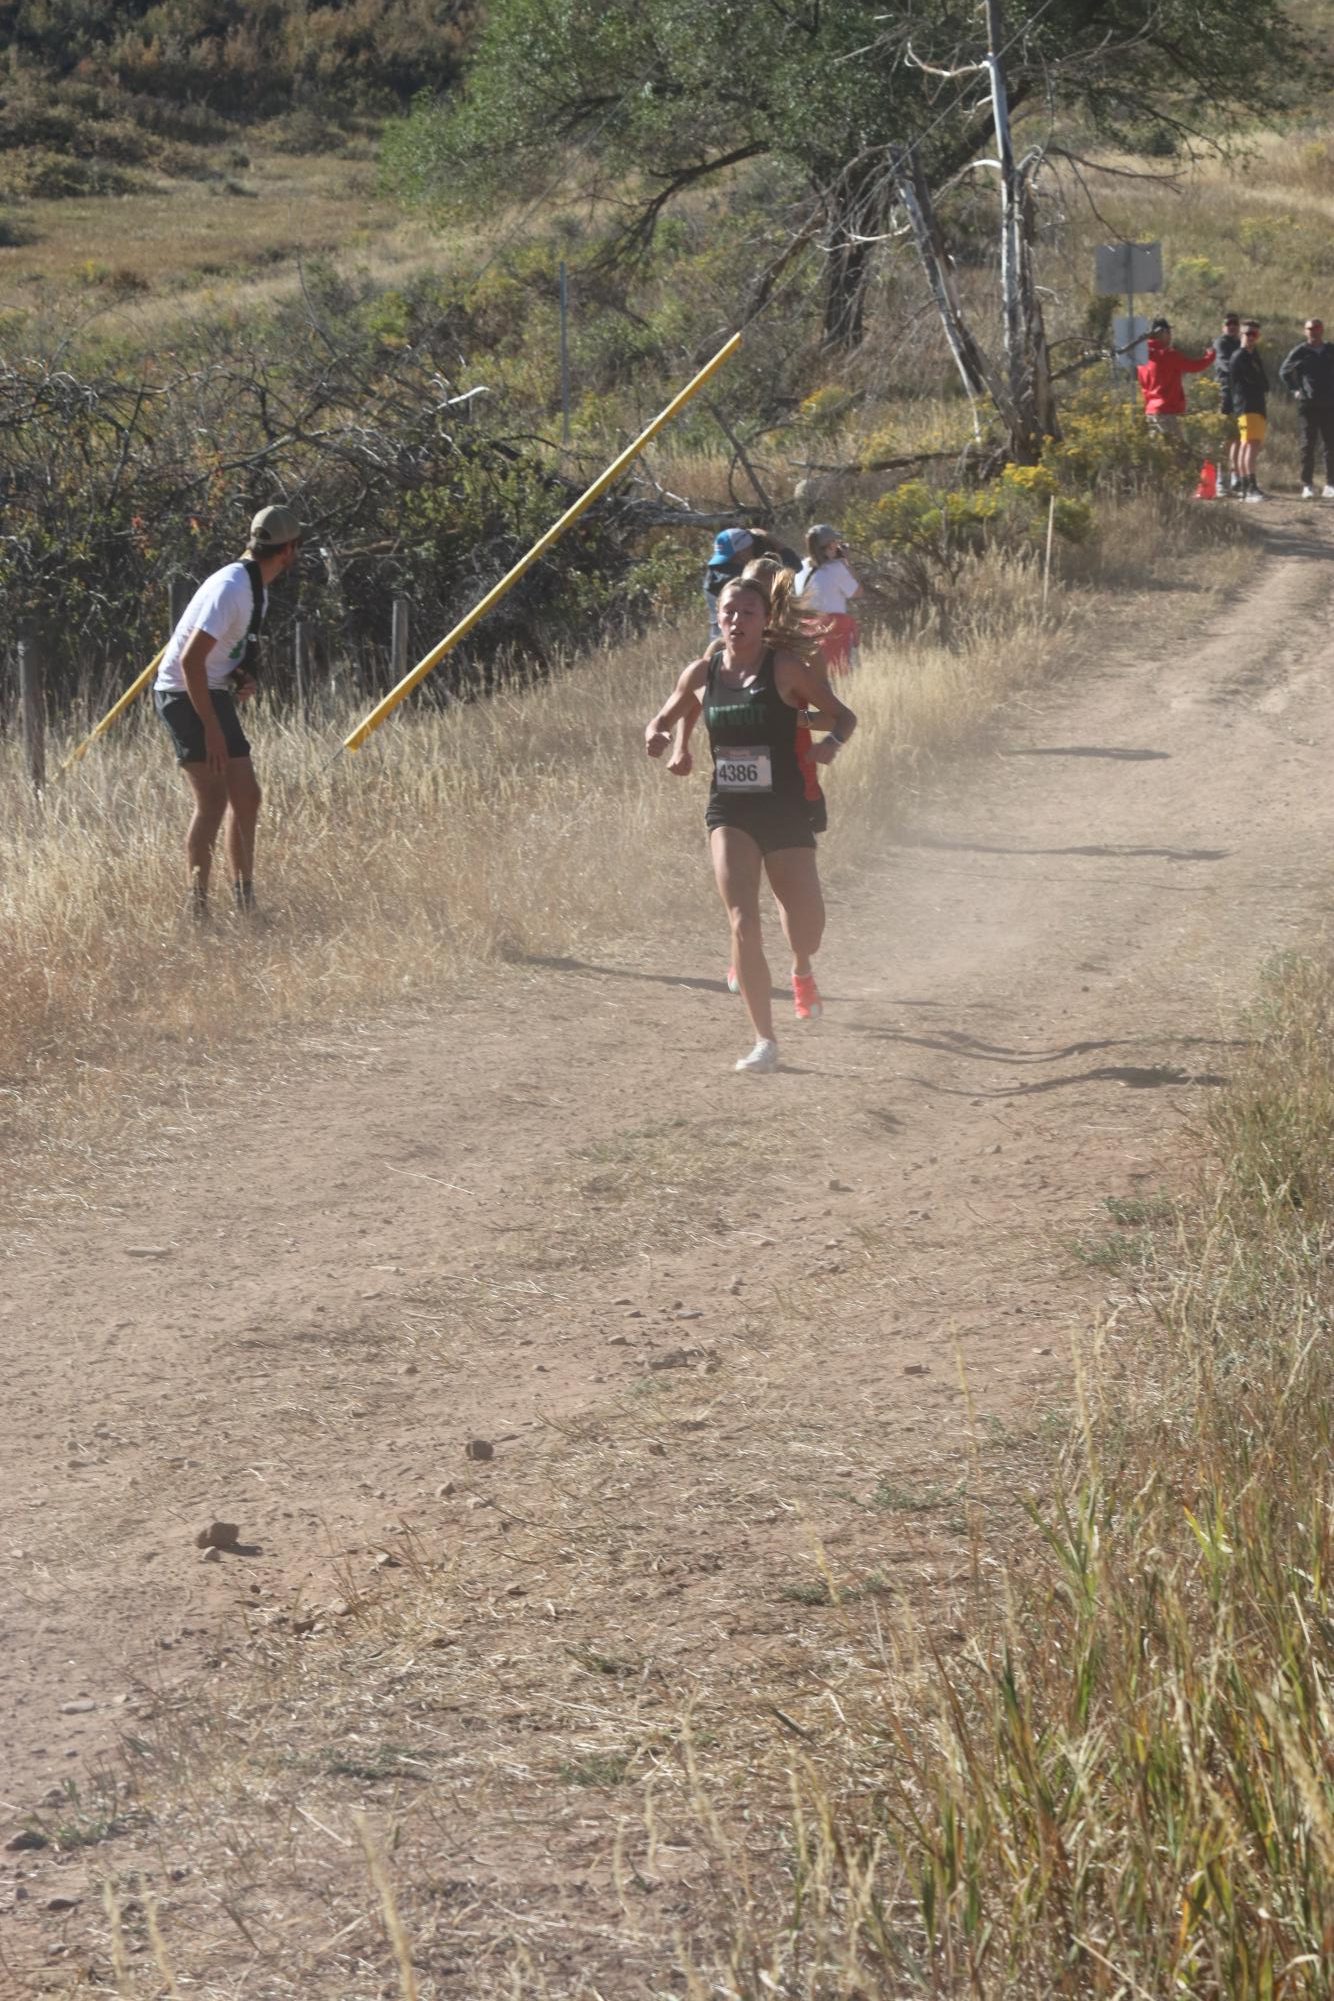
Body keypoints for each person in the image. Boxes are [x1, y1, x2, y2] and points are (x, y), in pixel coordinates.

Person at [644, 572, 857, 1074]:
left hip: (785, 806)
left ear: (764, 622)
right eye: (729, 611)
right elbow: (663, 717)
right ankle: (765, 1040)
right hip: (730, 810)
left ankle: (802, 967)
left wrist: (822, 741)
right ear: (717, 616)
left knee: (807, 925)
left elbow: (841, 716)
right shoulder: (702, 672)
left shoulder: (785, 668)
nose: (736, 620)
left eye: (748, 613)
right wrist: (660, 737)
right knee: (742, 920)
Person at [153, 503, 303, 918]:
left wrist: (240, 677)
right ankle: (197, 912)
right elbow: (188, 663)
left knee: (248, 797)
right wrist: (212, 728)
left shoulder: (257, 587)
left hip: (211, 687)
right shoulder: (233, 588)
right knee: (214, 801)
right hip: (183, 694)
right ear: (289, 549)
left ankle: (246, 906)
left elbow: (221, 654)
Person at [1135, 319, 1216, 463]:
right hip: (1166, 413)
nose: (1171, 336)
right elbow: (1194, 366)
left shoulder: (1142, 358)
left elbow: (1144, 386)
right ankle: (1186, 483)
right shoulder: (1167, 355)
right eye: (1169, 332)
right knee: (1181, 455)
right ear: (1162, 333)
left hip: (1150, 413)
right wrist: (1210, 356)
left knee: (1158, 457)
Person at [1278, 316, 1334, 500]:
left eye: (1317, 328)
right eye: (1310, 329)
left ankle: (1330, 484)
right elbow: (1284, 371)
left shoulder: (1330, 349)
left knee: (1330, 445)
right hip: (1308, 405)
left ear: (1322, 330)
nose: (1314, 331)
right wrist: (1295, 389)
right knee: (1307, 446)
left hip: (1329, 404)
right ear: (1305, 331)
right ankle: (1307, 485)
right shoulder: (1300, 351)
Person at [794, 523, 862, 671]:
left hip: (808, 634)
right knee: (843, 680)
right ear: (830, 546)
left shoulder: (800, 567)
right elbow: (857, 592)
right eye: (835, 543)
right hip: (835, 632)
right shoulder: (836, 568)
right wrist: (847, 561)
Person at [1227, 322, 1269, 501]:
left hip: (1257, 406)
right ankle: (1249, 487)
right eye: (1248, 334)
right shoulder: (1240, 356)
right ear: (1241, 335)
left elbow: (1264, 382)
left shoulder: (1254, 356)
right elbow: (1253, 380)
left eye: (1255, 334)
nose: (1251, 337)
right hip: (1246, 406)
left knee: (1251, 444)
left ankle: (1247, 487)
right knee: (1249, 445)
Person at [1214, 311, 1242, 494]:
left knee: (1238, 438)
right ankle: (1220, 479)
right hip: (1225, 394)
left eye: (1235, 323)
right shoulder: (1221, 343)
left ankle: (1236, 477)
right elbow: (1225, 364)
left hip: (1240, 396)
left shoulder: (1241, 343)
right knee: (1223, 439)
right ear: (1223, 326)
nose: (1232, 326)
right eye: (1228, 323)